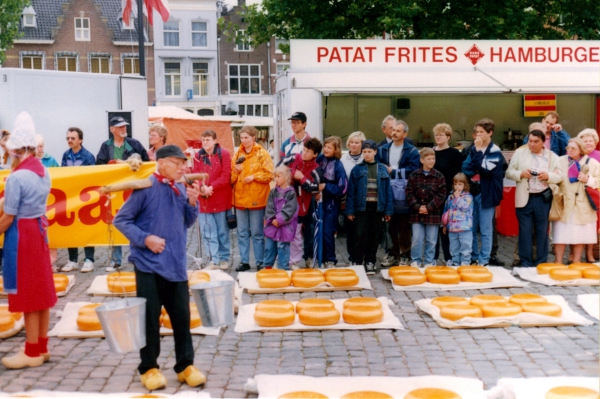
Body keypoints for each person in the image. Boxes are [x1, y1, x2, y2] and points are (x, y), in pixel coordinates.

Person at [113, 145, 205, 391]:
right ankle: (149, 367)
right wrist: (145, 239)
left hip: (175, 264)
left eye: (183, 163)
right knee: (149, 319)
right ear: (161, 162)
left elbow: (186, 221)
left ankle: (185, 365)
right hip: (148, 266)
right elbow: (121, 220)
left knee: (182, 319)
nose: (182, 167)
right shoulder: (146, 188)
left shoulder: (178, 189)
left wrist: (193, 202)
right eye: (177, 163)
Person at [0, 112, 56, 369]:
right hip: (38, 231)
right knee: (41, 292)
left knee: (28, 292)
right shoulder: (43, 171)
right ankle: (41, 347)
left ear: (16, 151)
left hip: (21, 235)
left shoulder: (16, 178)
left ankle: (31, 352)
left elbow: (7, 218)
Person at [97, 116, 150, 271]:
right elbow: (98, 166)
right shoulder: (105, 146)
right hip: (115, 192)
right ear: (112, 129)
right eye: (119, 127)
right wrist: (110, 165)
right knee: (114, 223)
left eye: (124, 126)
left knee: (138, 222)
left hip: (133, 191)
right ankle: (115, 260)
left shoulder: (134, 144)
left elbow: (147, 164)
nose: (123, 129)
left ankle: (140, 257)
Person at [506, 129, 562, 267]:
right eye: (530, 141)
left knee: (542, 231)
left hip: (543, 197)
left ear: (543, 142)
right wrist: (521, 174)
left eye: (536, 141)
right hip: (525, 196)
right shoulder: (520, 153)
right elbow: (509, 172)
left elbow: (560, 176)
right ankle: (525, 262)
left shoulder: (552, 156)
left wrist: (548, 176)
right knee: (525, 231)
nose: (532, 144)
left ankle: (541, 261)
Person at [377, 119, 420, 267]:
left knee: (404, 225)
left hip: (404, 192)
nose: (394, 133)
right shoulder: (383, 149)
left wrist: (394, 172)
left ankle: (405, 255)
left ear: (405, 133)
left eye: (398, 131)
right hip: (386, 191)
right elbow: (377, 166)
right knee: (390, 225)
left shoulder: (412, 150)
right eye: (393, 130)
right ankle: (392, 253)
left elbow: (414, 170)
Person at [462, 118, 505, 266]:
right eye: (477, 132)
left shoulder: (495, 151)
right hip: (473, 190)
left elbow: (486, 170)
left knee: (486, 228)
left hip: (488, 192)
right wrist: (477, 166)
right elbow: (465, 167)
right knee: (471, 226)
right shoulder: (473, 148)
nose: (478, 135)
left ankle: (484, 259)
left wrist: (479, 157)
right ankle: (473, 256)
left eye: (482, 132)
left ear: (490, 133)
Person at [346, 140, 393, 274]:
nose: (367, 154)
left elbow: (388, 191)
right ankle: (357, 260)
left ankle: (370, 261)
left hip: (378, 208)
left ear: (375, 152)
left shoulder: (382, 169)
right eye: (364, 152)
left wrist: (388, 210)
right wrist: (350, 210)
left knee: (374, 236)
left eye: (369, 152)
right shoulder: (357, 169)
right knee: (359, 235)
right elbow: (351, 192)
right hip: (361, 208)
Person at [232, 126, 274, 272]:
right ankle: (244, 261)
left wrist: (254, 177)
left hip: (257, 198)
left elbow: (269, 174)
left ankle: (260, 261)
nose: (243, 141)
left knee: (257, 233)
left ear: (253, 137)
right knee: (242, 232)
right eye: (241, 138)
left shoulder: (262, 153)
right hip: (241, 199)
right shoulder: (237, 154)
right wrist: (235, 172)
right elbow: (230, 178)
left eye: (246, 138)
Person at [553, 138, 600, 264]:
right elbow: (554, 178)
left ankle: (577, 262)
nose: (569, 150)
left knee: (580, 234)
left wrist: (588, 179)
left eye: (573, 148)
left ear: (581, 149)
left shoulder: (592, 163)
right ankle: (558, 261)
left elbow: (598, 180)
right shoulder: (560, 160)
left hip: (583, 204)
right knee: (560, 234)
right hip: (565, 202)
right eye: (568, 147)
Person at [191, 129, 232, 270]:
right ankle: (213, 260)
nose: (205, 142)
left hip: (220, 199)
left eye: (208, 139)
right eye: (203, 140)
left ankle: (224, 258)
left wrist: (211, 187)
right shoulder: (198, 155)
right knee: (208, 231)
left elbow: (226, 176)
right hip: (204, 201)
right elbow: (195, 174)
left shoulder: (224, 154)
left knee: (222, 232)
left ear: (215, 140)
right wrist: (202, 188)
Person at [282, 137, 323, 269]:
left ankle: (294, 261)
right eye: (304, 150)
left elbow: (316, 187)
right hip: (285, 203)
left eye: (308, 151)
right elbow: (279, 169)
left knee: (297, 235)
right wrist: (293, 173)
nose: (304, 153)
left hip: (302, 207)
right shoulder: (293, 157)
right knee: (283, 232)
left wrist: (303, 179)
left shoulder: (316, 168)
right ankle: (282, 260)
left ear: (315, 154)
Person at [61, 127, 97, 273]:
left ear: (80, 140)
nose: (70, 140)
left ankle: (89, 259)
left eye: (73, 138)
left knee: (86, 227)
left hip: (84, 198)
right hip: (70, 197)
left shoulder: (88, 156)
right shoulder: (65, 155)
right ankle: (72, 260)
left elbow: (92, 177)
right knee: (71, 228)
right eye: (68, 138)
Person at [407, 148, 446, 267]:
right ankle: (415, 260)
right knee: (417, 239)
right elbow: (409, 193)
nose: (431, 161)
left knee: (431, 240)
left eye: (433, 158)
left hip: (433, 213)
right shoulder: (414, 175)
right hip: (416, 213)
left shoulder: (439, 176)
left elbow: (441, 194)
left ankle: (429, 261)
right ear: (422, 160)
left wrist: (428, 208)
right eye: (428, 159)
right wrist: (418, 207)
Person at [432, 123, 464, 265]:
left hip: (448, 195)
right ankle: (432, 257)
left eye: (441, 134)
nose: (438, 137)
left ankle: (449, 257)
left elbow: (458, 174)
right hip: (432, 195)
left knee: (446, 227)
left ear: (448, 137)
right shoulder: (430, 152)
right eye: (436, 134)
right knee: (432, 228)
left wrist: (456, 192)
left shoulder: (455, 154)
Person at [317, 136, 348, 268]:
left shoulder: (338, 165)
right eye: (325, 146)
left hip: (331, 203)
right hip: (318, 201)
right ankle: (320, 258)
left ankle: (330, 259)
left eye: (329, 147)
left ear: (336, 149)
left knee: (328, 232)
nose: (326, 149)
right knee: (318, 231)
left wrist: (326, 187)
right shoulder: (319, 159)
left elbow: (343, 187)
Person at [263, 165, 298, 270]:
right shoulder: (273, 192)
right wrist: (272, 219)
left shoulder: (291, 193)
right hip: (272, 226)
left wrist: (279, 219)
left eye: (278, 176)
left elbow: (290, 209)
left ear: (286, 177)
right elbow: (269, 207)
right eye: (275, 176)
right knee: (269, 248)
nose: (276, 179)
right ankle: (268, 268)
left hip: (285, 228)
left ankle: (283, 269)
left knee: (282, 248)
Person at [340, 131, 366, 263]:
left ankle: (363, 257)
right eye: (352, 142)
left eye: (357, 142)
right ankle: (352, 257)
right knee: (350, 231)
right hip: (348, 199)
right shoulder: (343, 159)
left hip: (364, 199)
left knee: (363, 231)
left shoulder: (366, 157)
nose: (354, 145)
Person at [577, 128, 600, 262]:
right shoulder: (576, 156)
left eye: (591, 141)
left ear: (595, 142)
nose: (588, 143)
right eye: (585, 141)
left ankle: (590, 252)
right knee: (577, 224)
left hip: (595, 196)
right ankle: (574, 254)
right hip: (578, 195)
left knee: (593, 226)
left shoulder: (599, 155)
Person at [442, 173, 474, 266]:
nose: (457, 186)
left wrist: (457, 198)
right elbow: (447, 210)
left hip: (464, 227)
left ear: (465, 185)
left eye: (460, 184)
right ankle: (455, 262)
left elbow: (464, 207)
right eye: (455, 184)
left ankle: (465, 262)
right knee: (454, 247)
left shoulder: (468, 197)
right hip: (452, 227)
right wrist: (445, 224)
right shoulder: (450, 196)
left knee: (465, 246)